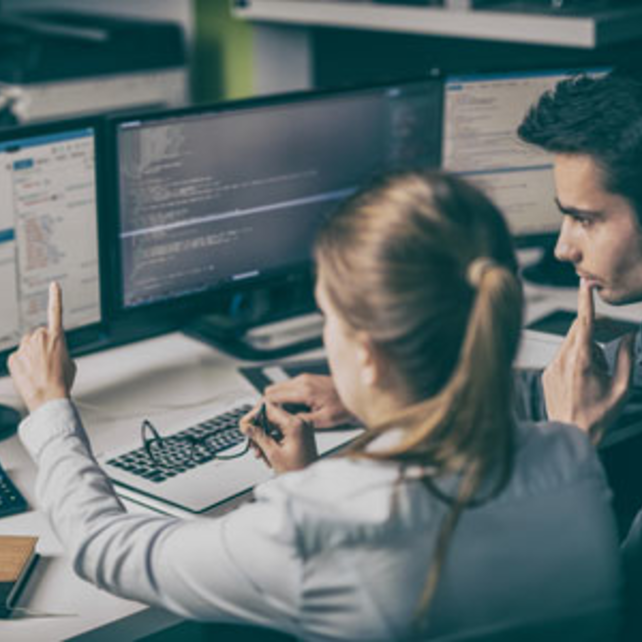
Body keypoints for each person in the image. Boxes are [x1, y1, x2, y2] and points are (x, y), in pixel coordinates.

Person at [9, 172, 621, 640]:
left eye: (329, 317)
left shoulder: (316, 524)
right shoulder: (572, 452)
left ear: (369, 356)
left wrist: (49, 405)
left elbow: (104, 551)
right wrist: (306, 482)